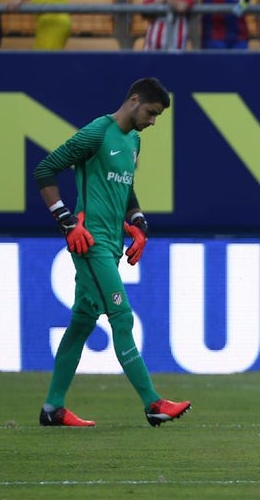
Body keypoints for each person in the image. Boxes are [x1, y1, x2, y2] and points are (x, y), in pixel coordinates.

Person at [34, 77, 191, 429]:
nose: (152, 122)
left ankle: (53, 408)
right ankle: (153, 403)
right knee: (122, 318)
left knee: (81, 324)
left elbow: (125, 188)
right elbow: (44, 170)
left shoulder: (133, 140)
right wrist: (67, 222)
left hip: (112, 244)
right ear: (134, 101)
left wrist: (137, 221)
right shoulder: (96, 133)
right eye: (151, 113)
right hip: (90, 245)